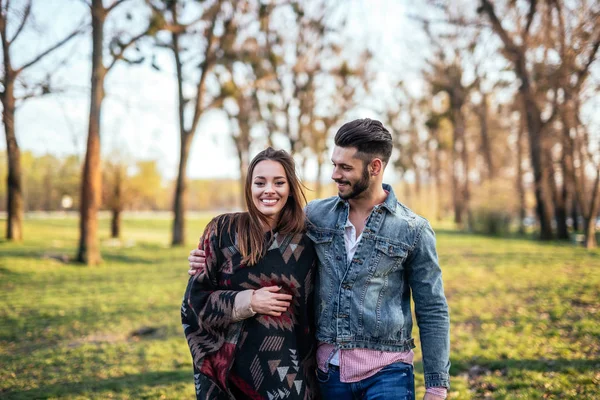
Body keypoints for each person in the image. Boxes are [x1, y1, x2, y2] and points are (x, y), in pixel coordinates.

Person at [189, 119, 451, 400]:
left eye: (345, 167)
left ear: (375, 167)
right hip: (329, 372)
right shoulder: (316, 216)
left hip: (388, 370)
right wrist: (209, 256)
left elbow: (432, 308)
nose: (335, 175)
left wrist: (436, 385)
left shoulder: (413, 230)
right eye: (334, 164)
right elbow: (269, 234)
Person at [181, 147, 320, 400]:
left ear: (289, 188)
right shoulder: (223, 231)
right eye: (260, 182)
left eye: (279, 182)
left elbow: (316, 311)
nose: (269, 190)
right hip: (232, 376)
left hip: (288, 378)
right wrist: (248, 301)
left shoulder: (307, 241)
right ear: (249, 187)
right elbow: (194, 303)